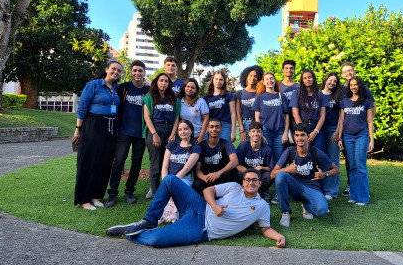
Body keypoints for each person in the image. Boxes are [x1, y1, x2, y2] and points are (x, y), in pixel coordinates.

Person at [106, 169, 285, 249]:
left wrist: (279, 237)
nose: (251, 183)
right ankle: (148, 221)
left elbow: (266, 228)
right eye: (248, 180)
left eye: (255, 180)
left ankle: (131, 232)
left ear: (260, 184)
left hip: (202, 229)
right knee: (170, 180)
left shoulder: (262, 206)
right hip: (198, 206)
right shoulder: (234, 187)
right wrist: (214, 206)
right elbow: (208, 190)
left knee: (157, 240)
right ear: (243, 182)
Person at [72, 60, 123, 210]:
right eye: (113, 69)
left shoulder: (116, 88)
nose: (116, 72)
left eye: (119, 71)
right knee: (90, 162)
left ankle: (95, 196)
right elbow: (83, 107)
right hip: (93, 126)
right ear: (106, 69)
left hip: (111, 128)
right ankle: (84, 199)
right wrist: (78, 129)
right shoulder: (94, 85)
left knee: (104, 163)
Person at [271, 123, 340, 227]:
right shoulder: (290, 151)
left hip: (312, 188)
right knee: (280, 176)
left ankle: (307, 205)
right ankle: (286, 212)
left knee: (322, 211)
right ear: (294, 137)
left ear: (308, 136)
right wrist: (287, 169)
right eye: (297, 135)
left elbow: (336, 170)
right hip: (295, 187)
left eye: (303, 135)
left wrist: (324, 174)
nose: (300, 138)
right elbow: (273, 174)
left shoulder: (315, 152)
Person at [106, 61, 150, 207]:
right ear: (131, 72)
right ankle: (112, 194)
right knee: (119, 161)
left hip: (140, 133)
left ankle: (129, 191)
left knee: (136, 163)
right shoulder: (123, 87)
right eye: (135, 71)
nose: (137, 73)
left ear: (144, 73)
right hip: (124, 131)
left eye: (140, 71)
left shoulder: (148, 91)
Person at [340, 62, 376, 197]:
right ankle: (353, 190)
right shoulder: (342, 92)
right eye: (345, 71)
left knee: (360, 165)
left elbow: (371, 110)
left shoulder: (364, 90)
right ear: (342, 75)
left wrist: (366, 123)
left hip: (361, 132)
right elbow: (341, 118)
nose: (348, 73)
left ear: (354, 71)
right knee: (351, 163)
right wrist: (339, 136)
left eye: (350, 70)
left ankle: (362, 195)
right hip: (348, 134)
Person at [143, 73, 180, 199]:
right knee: (156, 165)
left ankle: (169, 192)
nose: (163, 83)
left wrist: (173, 134)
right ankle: (155, 193)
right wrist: (154, 134)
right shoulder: (149, 96)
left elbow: (176, 118)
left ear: (169, 84)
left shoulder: (173, 98)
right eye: (161, 81)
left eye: (166, 81)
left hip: (170, 130)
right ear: (156, 82)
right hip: (155, 129)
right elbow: (147, 117)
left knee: (170, 164)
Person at [192, 119, 239, 195]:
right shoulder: (200, 146)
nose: (214, 129)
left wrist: (218, 173)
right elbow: (197, 170)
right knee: (197, 184)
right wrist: (204, 177)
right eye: (211, 127)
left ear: (221, 129)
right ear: (207, 129)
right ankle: (203, 203)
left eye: (217, 127)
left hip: (221, 176)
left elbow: (235, 161)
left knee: (233, 173)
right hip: (206, 178)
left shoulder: (226, 143)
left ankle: (230, 198)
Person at [252, 71, 290, 164]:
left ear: (274, 80)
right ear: (264, 83)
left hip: (279, 131)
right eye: (267, 79)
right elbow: (257, 118)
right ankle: (267, 178)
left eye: (271, 78)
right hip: (265, 131)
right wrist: (260, 133)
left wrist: (285, 133)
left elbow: (287, 115)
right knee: (266, 158)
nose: (269, 80)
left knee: (278, 159)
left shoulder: (281, 96)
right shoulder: (259, 98)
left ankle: (277, 178)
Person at [290, 69, 328, 152]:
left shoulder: (320, 95)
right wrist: (303, 132)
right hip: (302, 126)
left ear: (313, 78)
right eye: (305, 78)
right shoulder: (297, 94)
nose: (308, 79)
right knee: (303, 154)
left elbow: (322, 116)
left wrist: (315, 132)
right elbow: (295, 114)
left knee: (319, 154)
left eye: (310, 77)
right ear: (302, 80)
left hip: (316, 128)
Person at [236, 121, 275, 202]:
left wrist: (262, 167)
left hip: (260, 175)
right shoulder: (243, 146)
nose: (256, 134)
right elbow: (237, 165)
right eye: (253, 131)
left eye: (258, 131)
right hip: (245, 173)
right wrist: (249, 172)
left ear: (261, 134)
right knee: (236, 173)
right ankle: (245, 192)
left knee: (269, 176)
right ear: (249, 133)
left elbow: (270, 168)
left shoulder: (267, 149)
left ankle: (261, 192)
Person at [319, 72, 343, 200]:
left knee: (333, 160)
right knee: (321, 159)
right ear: (325, 80)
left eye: (335, 81)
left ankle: (332, 191)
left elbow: (341, 115)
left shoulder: (338, 95)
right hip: (320, 129)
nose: (332, 83)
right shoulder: (318, 94)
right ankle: (321, 188)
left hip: (333, 128)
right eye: (330, 80)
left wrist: (337, 132)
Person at [204, 71, 236, 142]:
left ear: (224, 81)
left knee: (224, 149)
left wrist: (233, 132)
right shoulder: (207, 97)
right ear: (212, 80)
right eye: (216, 79)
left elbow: (233, 113)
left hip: (225, 126)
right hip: (211, 126)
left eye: (221, 79)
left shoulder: (229, 95)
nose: (218, 81)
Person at [235, 65, 263, 142]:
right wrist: (242, 130)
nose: (252, 78)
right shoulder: (239, 93)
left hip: (258, 123)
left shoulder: (260, 93)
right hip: (245, 123)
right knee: (244, 148)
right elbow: (238, 112)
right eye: (250, 75)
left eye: (255, 76)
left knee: (257, 147)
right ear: (246, 76)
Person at [177, 78, 209, 143]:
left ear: (196, 90)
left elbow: (206, 119)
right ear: (184, 88)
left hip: (199, 136)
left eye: (192, 87)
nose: (190, 89)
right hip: (185, 137)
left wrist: (201, 137)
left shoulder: (201, 102)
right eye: (188, 86)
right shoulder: (179, 102)